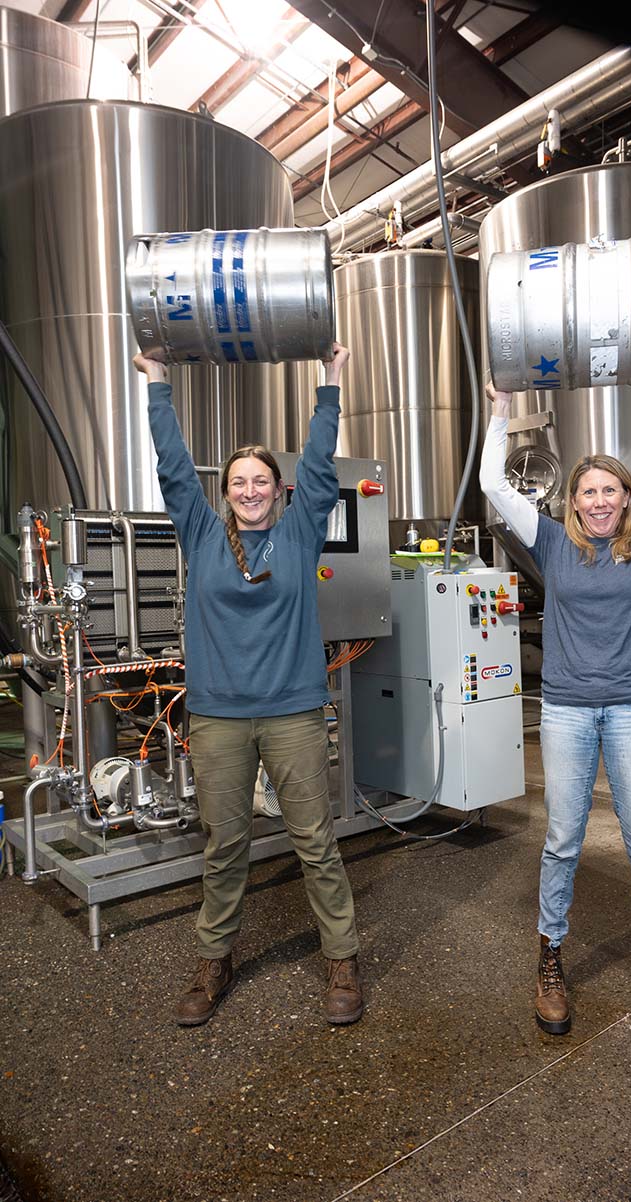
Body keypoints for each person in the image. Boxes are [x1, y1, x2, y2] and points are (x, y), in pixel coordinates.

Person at [479, 371, 631, 1039]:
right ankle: (550, 960)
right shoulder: (552, 542)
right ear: (574, 500)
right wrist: (499, 410)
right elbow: (493, 486)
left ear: (625, 499)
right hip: (565, 711)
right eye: (587, 491)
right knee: (562, 841)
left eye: (608, 490)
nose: (597, 500)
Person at [134, 343, 363, 1028]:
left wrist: (330, 384)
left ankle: (343, 958)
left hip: (292, 712)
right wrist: (158, 385)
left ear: (279, 489)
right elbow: (173, 466)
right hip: (218, 719)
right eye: (239, 480)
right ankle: (215, 959)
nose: (251, 489)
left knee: (315, 843)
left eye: (262, 479)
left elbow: (320, 466)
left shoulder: (299, 535)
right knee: (223, 845)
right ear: (225, 490)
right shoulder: (201, 532)